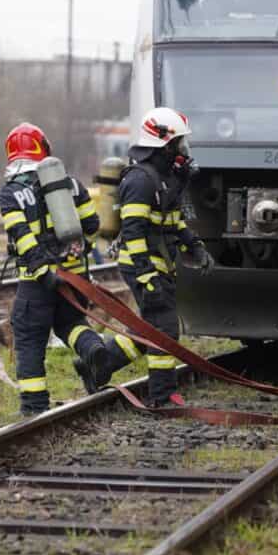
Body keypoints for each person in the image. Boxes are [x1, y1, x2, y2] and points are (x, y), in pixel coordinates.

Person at [0, 122, 138, 416]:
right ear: (44, 149)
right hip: (74, 279)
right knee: (71, 324)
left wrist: (43, 271)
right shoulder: (71, 184)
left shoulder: (11, 193)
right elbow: (91, 226)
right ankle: (93, 351)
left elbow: (22, 238)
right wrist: (77, 252)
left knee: (29, 338)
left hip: (37, 283)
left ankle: (33, 406)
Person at [117, 107, 214, 407]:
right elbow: (132, 233)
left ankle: (100, 360)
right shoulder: (140, 180)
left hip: (159, 262)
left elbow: (173, 222)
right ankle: (162, 396)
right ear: (164, 144)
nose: (183, 151)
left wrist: (195, 246)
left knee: (152, 326)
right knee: (165, 327)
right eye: (179, 144)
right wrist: (146, 277)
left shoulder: (164, 178)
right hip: (142, 264)